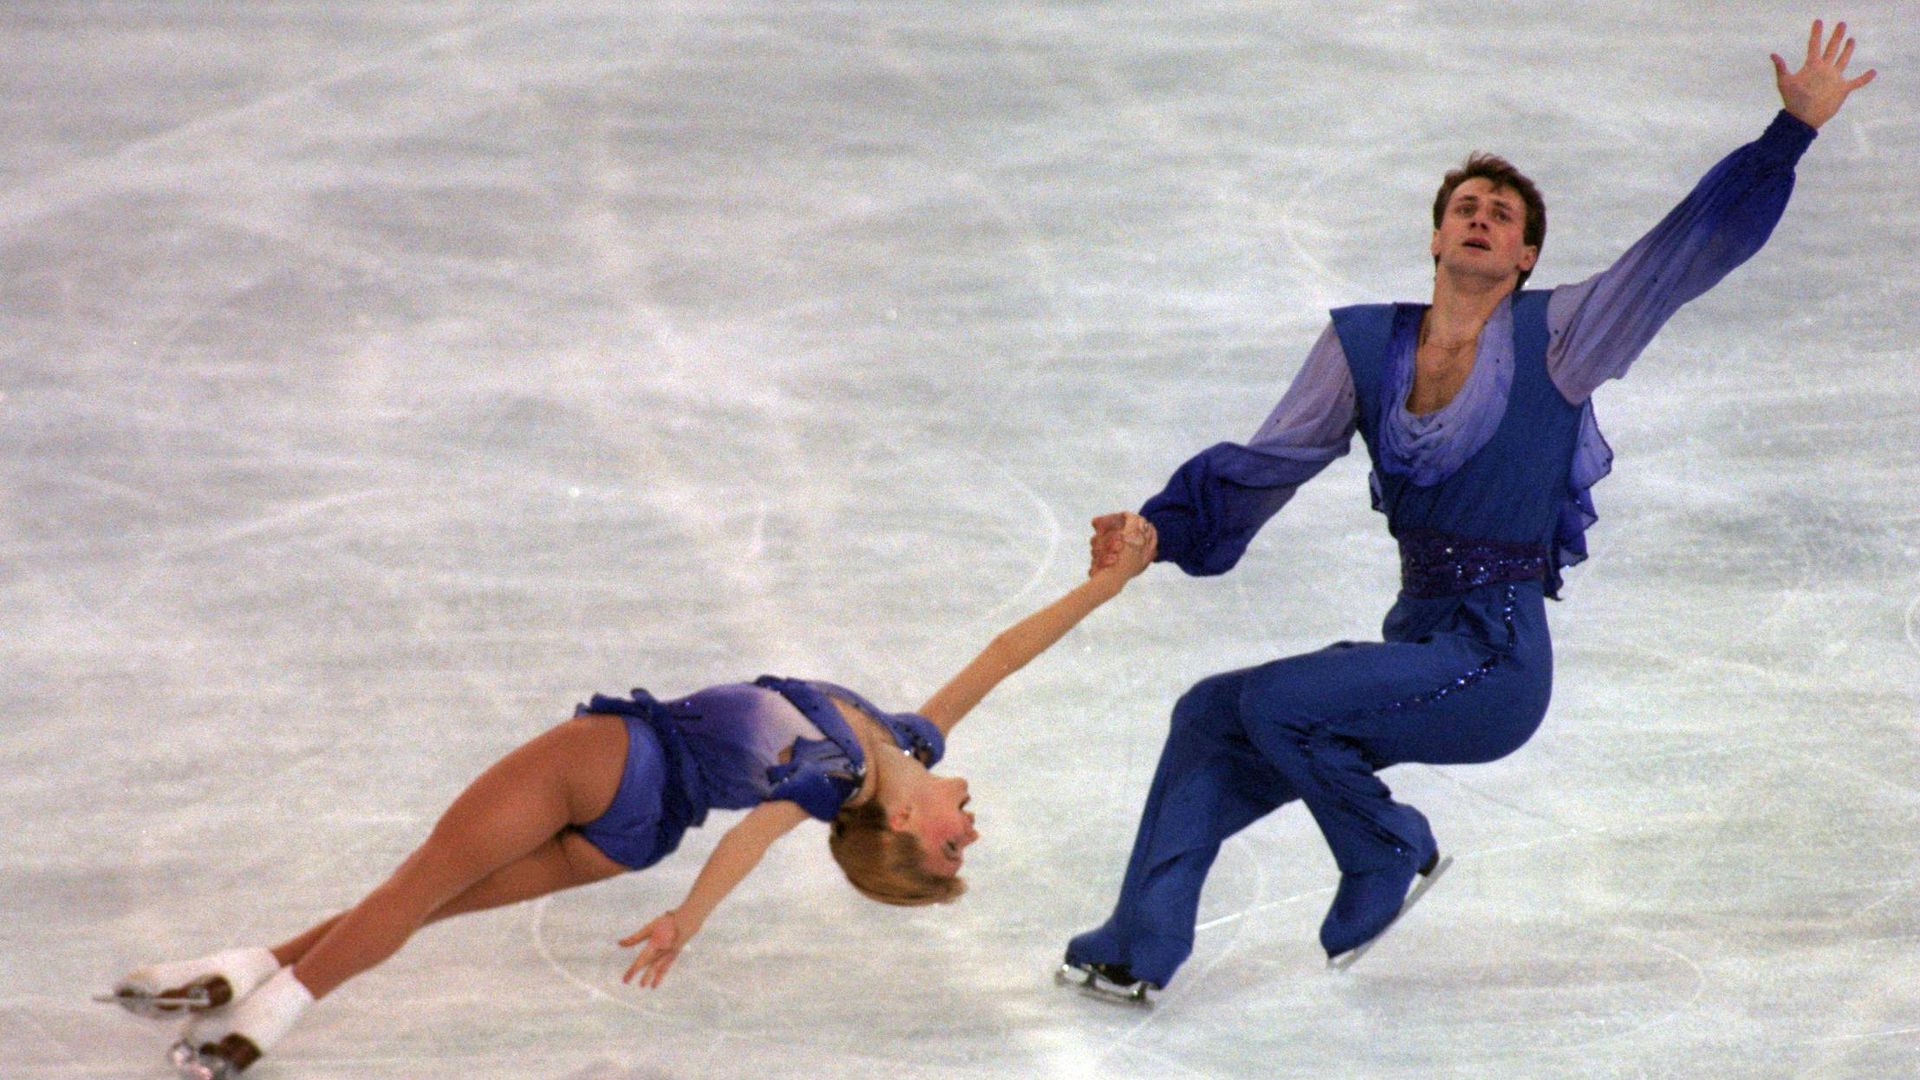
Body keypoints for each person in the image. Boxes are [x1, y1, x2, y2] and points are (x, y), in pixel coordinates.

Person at [1059, 20, 1877, 997]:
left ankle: (1387, 849)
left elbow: (1681, 253)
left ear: (1527, 251)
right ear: (1438, 235)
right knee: (1212, 714)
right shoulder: (1364, 349)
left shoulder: (1563, 336)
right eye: (1465, 207)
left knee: (1282, 706)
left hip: (1493, 663)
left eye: (1502, 213)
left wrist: (1788, 135)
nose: (1481, 218)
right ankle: (1136, 941)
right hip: (1417, 644)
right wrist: (1159, 529)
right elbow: (1265, 463)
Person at [110, 514, 1159, 1078]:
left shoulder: (831, 771)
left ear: (896, 824)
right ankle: (238, 972)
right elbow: (1004, 655)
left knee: (415, 885)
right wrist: (1107, 585)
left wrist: (690, 922)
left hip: (610, 767)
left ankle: (253, 1032)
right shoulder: (908, 739)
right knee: (418, 905)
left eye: (951, 849)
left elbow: (752, 837)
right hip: (634, 837)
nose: (971, 832)